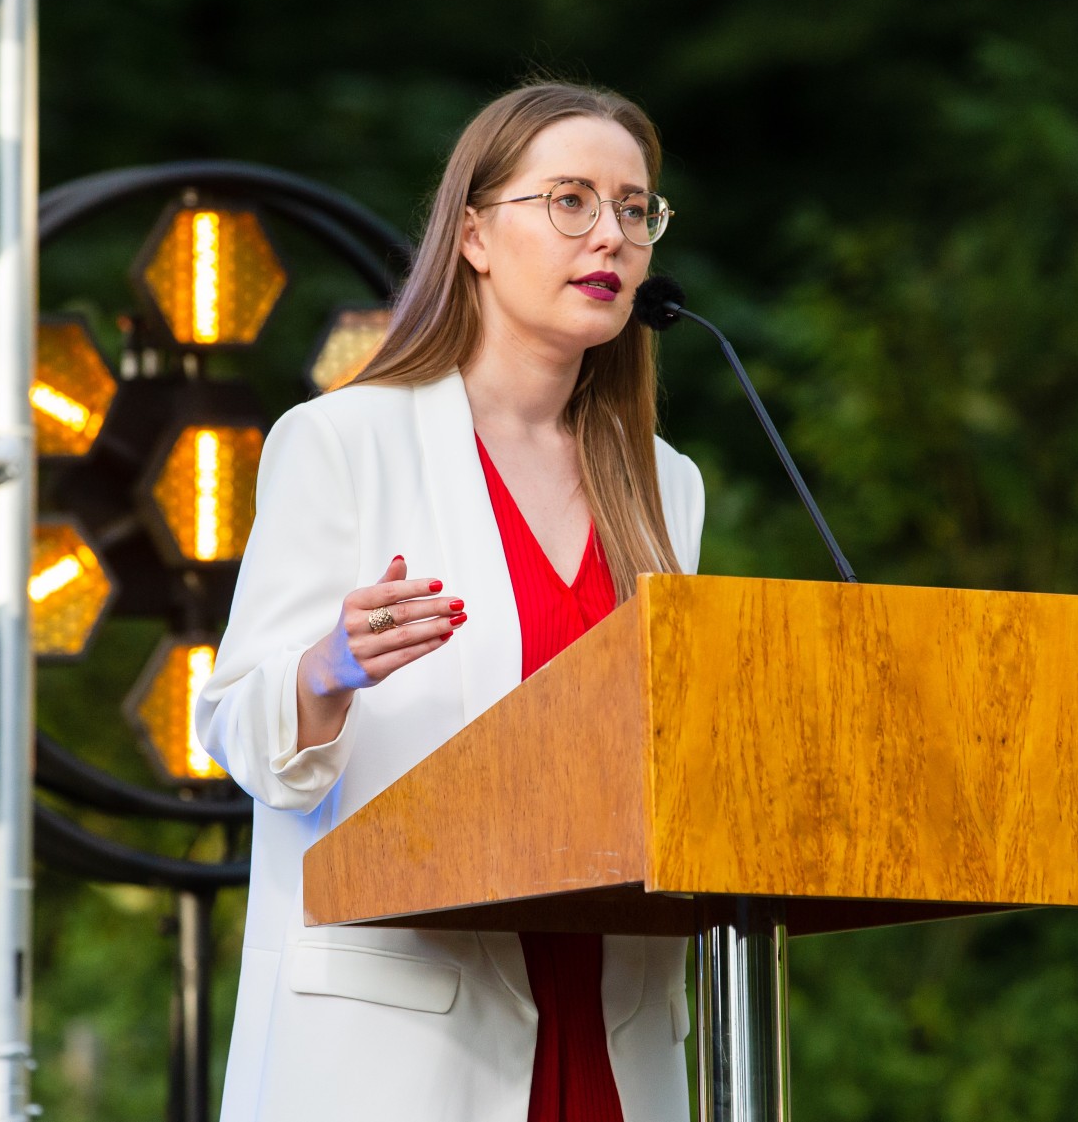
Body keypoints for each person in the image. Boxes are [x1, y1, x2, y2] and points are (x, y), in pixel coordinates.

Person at [195, 81, 705, 1122]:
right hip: (408, 1043)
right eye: (570, 200)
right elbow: (236, 728)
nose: (610, 235)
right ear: (473, 235)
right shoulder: (342, 442)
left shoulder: (668, 483)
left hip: (616, 1031)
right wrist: (326, 670)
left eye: (633, 208)